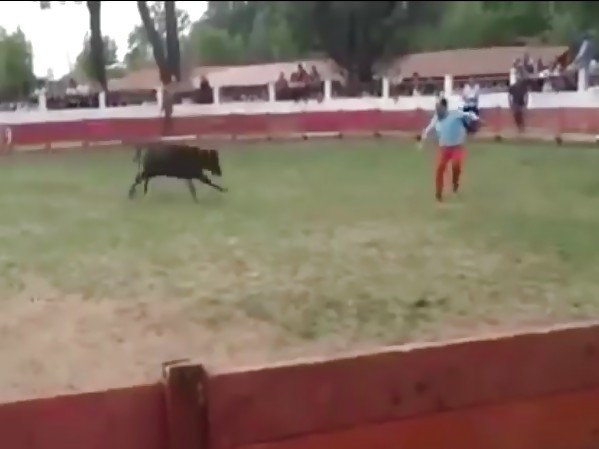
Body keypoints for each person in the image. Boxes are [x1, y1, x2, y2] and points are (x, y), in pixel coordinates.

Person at [419, 98, 480, 202]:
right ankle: (438, 192)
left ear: (445, 108)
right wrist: (423, 138)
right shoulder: (436, 118)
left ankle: (455, 183)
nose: (437, 111)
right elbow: (429, 128)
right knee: (439, 168)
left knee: (456, 165)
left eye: (439, 108)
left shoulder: (455, 114)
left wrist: (477, 119)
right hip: (444, 148)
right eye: (436, 109)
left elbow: (469, 115)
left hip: (457, 147)